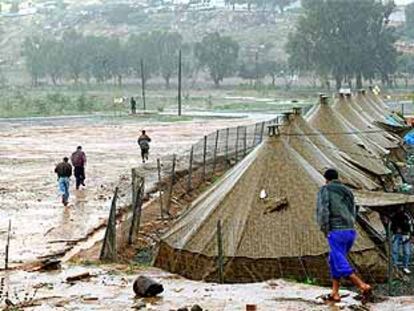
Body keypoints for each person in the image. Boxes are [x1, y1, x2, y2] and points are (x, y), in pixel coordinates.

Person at [316, 168, 372, 303]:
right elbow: (354, 209)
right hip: (350, 231)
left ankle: (362, 285)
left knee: (340, 262)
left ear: (326, 179)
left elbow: (323, 210)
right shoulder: (347, 191)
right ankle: (335, 293)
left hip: (336, 231)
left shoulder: (325, 190)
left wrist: (325, 229)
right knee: (333, 259)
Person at [390, 206, 413, 274]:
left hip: (405, 235)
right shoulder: (393, 215)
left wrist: (411, 235)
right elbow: (391, 225)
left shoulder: (407, 215)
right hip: (396, 234)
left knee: (407, 252)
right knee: (394, 251)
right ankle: (395, 267)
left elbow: (410, 225)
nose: (400, 208)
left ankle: (405, 267)